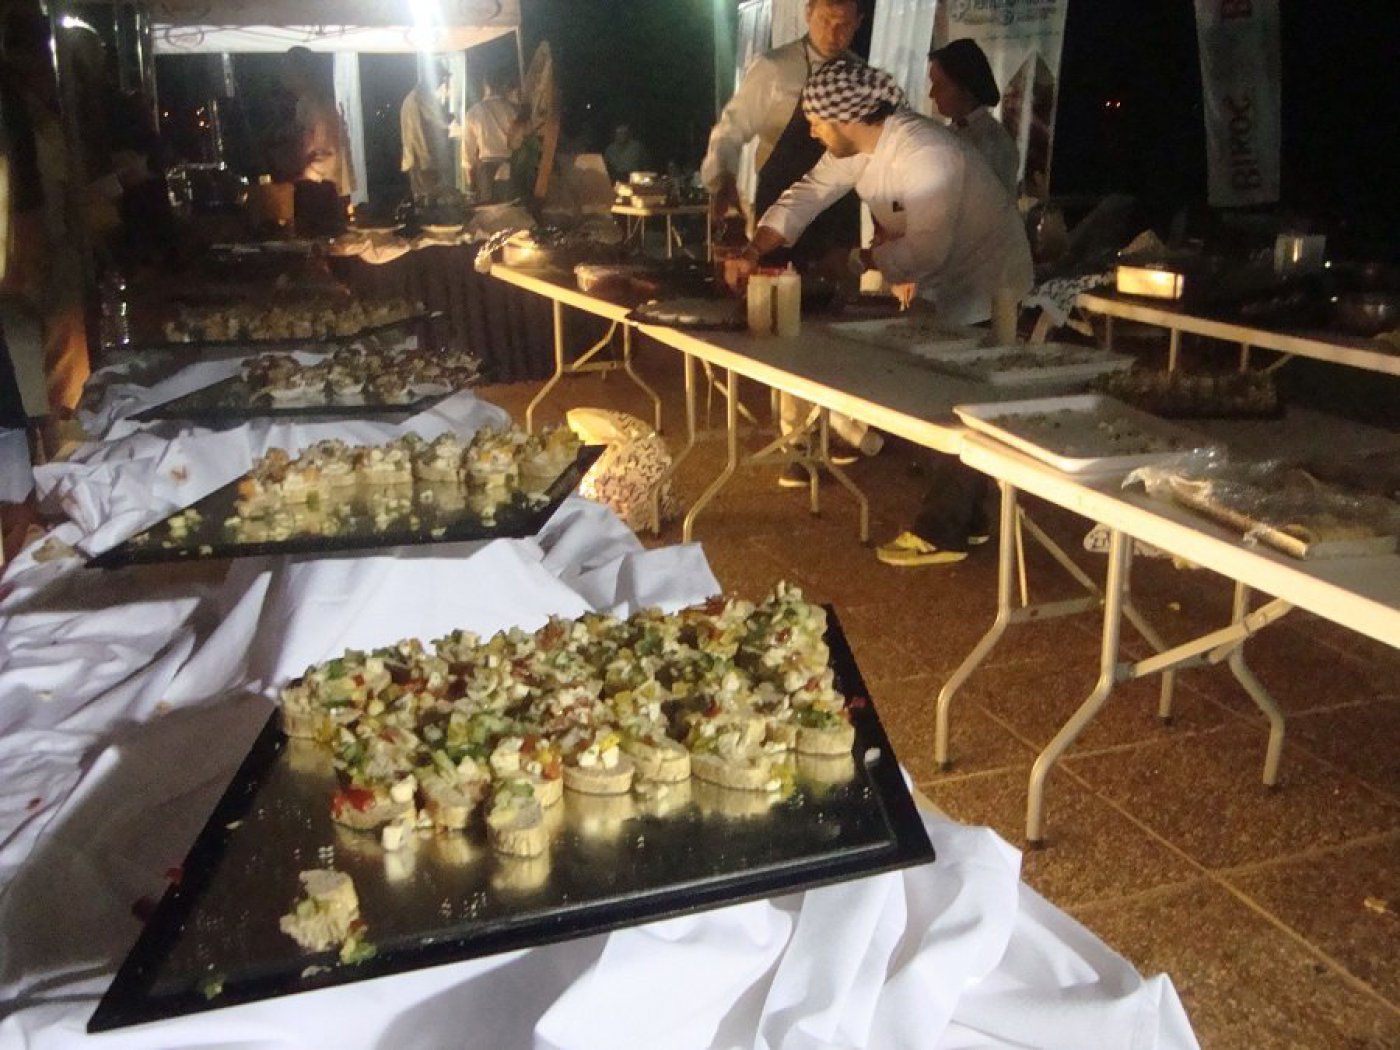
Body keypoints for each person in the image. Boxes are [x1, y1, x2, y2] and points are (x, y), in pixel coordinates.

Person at [733, 59, 1032, 564]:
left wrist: (857, 260)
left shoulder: (926, 153)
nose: (812, 130)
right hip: (946, 284)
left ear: (847, 116)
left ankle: (943, 532)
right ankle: (971, 520)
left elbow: (927, 251)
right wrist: (754, 250)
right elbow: (806, 196)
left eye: (817, 121)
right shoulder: (860, 147)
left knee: (957, 405)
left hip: (988, 283)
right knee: (945, 394)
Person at [701, 0, 877, 485]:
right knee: (787, 319)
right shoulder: (775, 68)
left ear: (859, 24)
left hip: (839, 210)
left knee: (836, 316)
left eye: (845, 24)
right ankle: (796, 440)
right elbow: (730, 131)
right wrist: (722, 181)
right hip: (782, 203)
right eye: (826, 20)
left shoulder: (863, 76)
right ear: (807, 13)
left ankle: (835, 424)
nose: (835, 31)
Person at [927, 38, 1019, 199]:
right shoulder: (954, 133)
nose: (932, 94)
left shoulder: (991, 144)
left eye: (940, 85)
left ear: (966, 89)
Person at [281, 46, 355, 198]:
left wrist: (306, 176)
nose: (283, 75)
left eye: (287, 69)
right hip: (325, 185)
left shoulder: (314, 104)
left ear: (301, 73)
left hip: (322, 187)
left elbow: (323, 149)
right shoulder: (314, 102)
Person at [460, 69, 521, 203]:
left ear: (485, 86)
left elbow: (467, 154)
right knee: (510, 209)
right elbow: (519, 142)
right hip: (510, 168)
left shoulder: (474, 112)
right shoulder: (513, 110)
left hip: (486, 171)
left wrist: (471, 185)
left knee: (488, 210)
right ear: (504, 86)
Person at [401, 59, 457, 201]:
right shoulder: (424, 96)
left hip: (414, 159)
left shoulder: (411, 97)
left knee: (421, 199)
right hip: (425, 159)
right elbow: (442, 120)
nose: (442, 82)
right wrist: (451, 116)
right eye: (442, 78)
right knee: (431, 199)